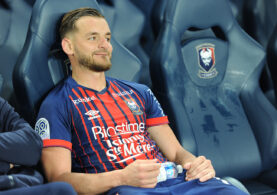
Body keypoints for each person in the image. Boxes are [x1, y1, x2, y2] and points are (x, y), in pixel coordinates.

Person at [35, 7, 248, 195]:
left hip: (178, 181)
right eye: (92, 38)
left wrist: (194, 163)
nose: (104, 45)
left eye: (107, 38)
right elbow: (59, 179)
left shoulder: (139, 92)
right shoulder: (56, 104)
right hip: (124, 189)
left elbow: (175, 152)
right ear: (68, 46)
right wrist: (121, 178)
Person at [0, 95, 77, 194]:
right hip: (10, 182)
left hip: (18, 182)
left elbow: (33, 145)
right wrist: (8, 162)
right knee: (62, 191)